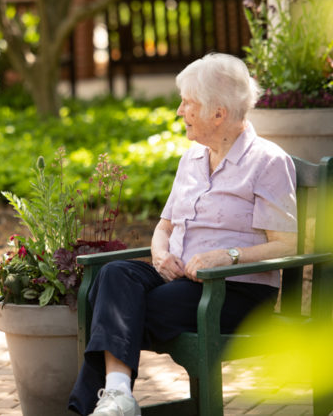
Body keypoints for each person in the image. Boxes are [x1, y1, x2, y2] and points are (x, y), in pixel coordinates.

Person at [68, 53, 298, 416]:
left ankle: (107, 401)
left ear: (218, 113)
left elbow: (288, 244)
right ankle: (117, 394)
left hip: (233, 291)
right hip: (175, 279)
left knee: (117, 306)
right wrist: (160, 254)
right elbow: (164, 227)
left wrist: (227, 257)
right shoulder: (191, 158)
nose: (179, 111)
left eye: (188, 103)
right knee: (113, 275)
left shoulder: (268, 161)